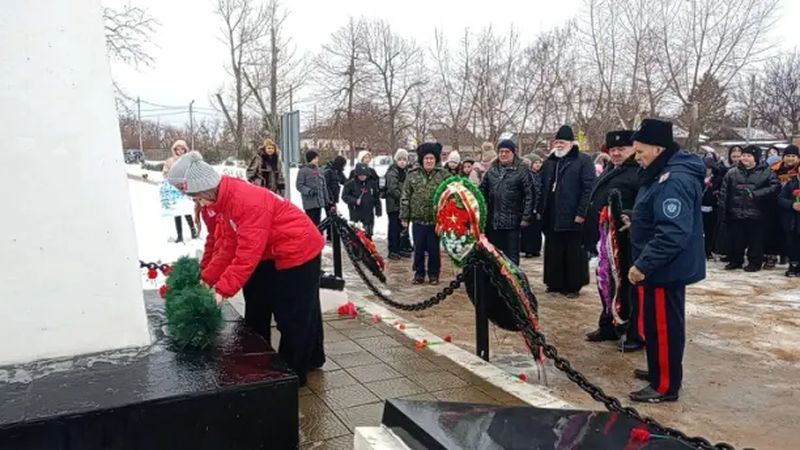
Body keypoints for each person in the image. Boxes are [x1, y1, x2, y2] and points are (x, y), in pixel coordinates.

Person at [166, 151, 325, 386]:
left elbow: (246, 255)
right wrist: (207, 280)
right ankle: (307, 358)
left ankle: (292, 377)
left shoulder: (245, 201)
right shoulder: (225, 199)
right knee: (289, 308)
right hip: (276, 250)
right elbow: (227, 246)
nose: (199, 204)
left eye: (198, 198)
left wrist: (221, 291)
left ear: (206, 189)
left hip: (299, 250)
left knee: (293, 316)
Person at [627, 119, 705, 403]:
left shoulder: (674, 179)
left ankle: (664, 385)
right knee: (655, 324)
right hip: (660, 266)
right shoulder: (660, 171)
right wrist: (635, 220)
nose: (637, 157)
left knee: (663, 327)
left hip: (664, 268)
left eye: (640, 151)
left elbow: (673, 232)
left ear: (658, 149)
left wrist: (643, 265)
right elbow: (656, 213)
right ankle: (658, 369)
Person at [584, 130, 644, 352]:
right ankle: (608, 324)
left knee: (627, 286)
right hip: (606, 239)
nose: (616, 153)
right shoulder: (611, 169)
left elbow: (642, 206)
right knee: (607, 282)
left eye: (621, 149)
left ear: (632, 149)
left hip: (626, 240)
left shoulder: (638, 172)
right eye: (613, 149)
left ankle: (633, 332)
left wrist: (629, 217)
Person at [540, 125, 596, 298]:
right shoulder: (550, 161)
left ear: (571, 143)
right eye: (556, 142)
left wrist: (582, 212)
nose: (559, 145)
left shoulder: (583, 160)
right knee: (554, 250)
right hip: (552, 214)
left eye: (562, 142)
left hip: (573, 213)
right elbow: (542, 185)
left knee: (573, 251)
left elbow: (588, 188)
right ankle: (554, 282)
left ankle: (573, 285)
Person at [718, 145, 779, 272]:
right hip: (736, 211)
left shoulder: (766, 171)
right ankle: (735, 260)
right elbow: (724, 191)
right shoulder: (732, 172)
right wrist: (724, 209)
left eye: (749, 156)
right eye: (744, 155)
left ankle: (755, 262)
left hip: (756, 212)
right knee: (736, 239)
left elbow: (775, 187)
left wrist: (757, 194)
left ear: (755, 158)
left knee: (755, 240)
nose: (745, 158)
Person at [479, 139, 534, 265]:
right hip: (493, 222)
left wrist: (526, 217)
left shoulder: (522, 170)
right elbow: (482, 191)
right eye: (501, 151)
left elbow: (529, 195)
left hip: (512, 221)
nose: (503, 154)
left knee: (511, 258)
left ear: (513, 153)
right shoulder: (492, 170)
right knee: (494, 256)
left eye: (507, 152)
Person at [400, 143, 448, 285]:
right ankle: (419, 273)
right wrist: (404, 216)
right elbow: (405, 196)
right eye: (426, 158)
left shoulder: (443, 175)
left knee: (434, 249)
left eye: (431, 158)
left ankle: (434, 274)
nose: (429, 161)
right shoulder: (412, 174)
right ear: (422, 159)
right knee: (419, 248)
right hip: (418, 219)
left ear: (436, 159)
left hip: (435, 220)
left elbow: (450, 195)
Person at [768, 145, 800, 265]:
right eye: (788, 156)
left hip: (792, 207)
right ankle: (772, 255)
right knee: (774, 230)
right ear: (783, 157)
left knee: (790, 233)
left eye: (793, 156)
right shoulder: (774, 169)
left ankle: (788, 256)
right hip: (775, 204)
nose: (790, 158)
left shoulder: (798, 171)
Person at [162, 139, 197, 242]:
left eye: (182, 149)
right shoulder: (170, 161)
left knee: (186, 210)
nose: (180, 151)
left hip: (185, 189)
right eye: (178, 149)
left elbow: (192, 173)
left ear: (185, 150)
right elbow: (165, 173)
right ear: (175, 150)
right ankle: (179, 235)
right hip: (173, 189)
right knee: (176, 212)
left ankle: (193, 231)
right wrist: (171, 177)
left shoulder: (188, 161)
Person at [342, 163, 382, 237]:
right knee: (357, 235)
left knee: (368, 234)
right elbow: (344, 196)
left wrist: (378, 210)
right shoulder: (350, 184)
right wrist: (354, 200)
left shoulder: (372, 184)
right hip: (356, 213)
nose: (362, 177)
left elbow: (376, 197)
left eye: (364, 175)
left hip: (369, 214)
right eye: (360, 175)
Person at [385, 149, 411, 259]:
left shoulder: (407, 172)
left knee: (403, 228)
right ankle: (393, 250)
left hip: (403, 205)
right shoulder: (392, 172)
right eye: (400, 159)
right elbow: (392, 189)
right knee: (394, 228)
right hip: (394, 205)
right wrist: (403, 198)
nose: (402, 162)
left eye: (404, 159)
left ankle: (401, 248)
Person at [296, 150, 330, 226]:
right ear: (311, 159)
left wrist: (326, 200)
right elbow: (299, 185)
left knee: (318, 223)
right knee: (311, 223)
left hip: (319, 202)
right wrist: (309, 191)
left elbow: (324, 186)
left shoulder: (320, 170)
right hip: (309, 203)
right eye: (316, 158)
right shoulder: (303, 171)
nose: (317, 160)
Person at [521, 154, 544, 258]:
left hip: (537, 206)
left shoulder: (539, 175)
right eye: (536, 163)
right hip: (530, 206)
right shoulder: (528, 176)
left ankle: (535, 249)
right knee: (529, 230)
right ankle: (528, 249)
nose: (538, 165)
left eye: (539, 162)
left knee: (536, 229)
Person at [778, 171, 800, 276]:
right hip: (793, 220)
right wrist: (792, 205)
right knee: (793, 242)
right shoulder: (791, 182)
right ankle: (793, 264)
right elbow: (780, 199)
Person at [322, 155, 348, 237]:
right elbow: (326, 186)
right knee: (330, 216)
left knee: (332, 215)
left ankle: (331, 234)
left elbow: (345, 181)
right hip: (328, 198)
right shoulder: (328, 171)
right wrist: (330, 199)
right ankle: (330, 234)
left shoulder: (338, 171)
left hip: (334, 197)